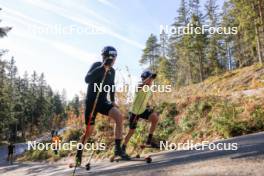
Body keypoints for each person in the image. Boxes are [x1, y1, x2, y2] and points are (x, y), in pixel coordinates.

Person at [76, 46, 128, 165]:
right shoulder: (96, 65)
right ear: (105, 57)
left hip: (103, 102)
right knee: (88, 132)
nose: (114, 60)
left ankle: (117, 149)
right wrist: (102, 68)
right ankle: (79, 154)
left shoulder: (112, 71)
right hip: (92, 102)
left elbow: (112, 86)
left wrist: (113, 100)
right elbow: (87, 79)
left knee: (119, 117)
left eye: (115, 57)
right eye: (112, 57)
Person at [122, 70, 160, 155]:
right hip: (134, 111)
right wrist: (148, 79)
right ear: (145, 79)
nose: (151, 81)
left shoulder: (150, 90)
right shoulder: (139, 86)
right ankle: (123, 148)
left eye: (152, 80)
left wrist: (149, 106)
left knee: (155, 118)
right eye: (150, 79)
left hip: (142, 110)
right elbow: (141, 86)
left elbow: (146, 100)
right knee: (131, 131)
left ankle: (149, 141)